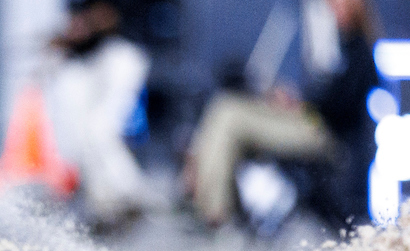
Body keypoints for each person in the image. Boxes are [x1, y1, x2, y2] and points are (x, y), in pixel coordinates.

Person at [183, 0, 379, 227]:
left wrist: (303, 104)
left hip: (320, 130)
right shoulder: (335, 44)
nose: (332, 9)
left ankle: (213, 214)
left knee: (229, 116)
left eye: (339, 4)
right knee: (225, 107)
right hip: (308, 119)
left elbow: (342, 104)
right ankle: (210, 203)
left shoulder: (357, 50)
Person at [41, 0, 158, 229]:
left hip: (123, 54)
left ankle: (130, 193)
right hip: (97, 60)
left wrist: (86, 28)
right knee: (80, 130)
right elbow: (76, 31)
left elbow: (106, 20)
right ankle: (103, 206)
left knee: (101, 128)